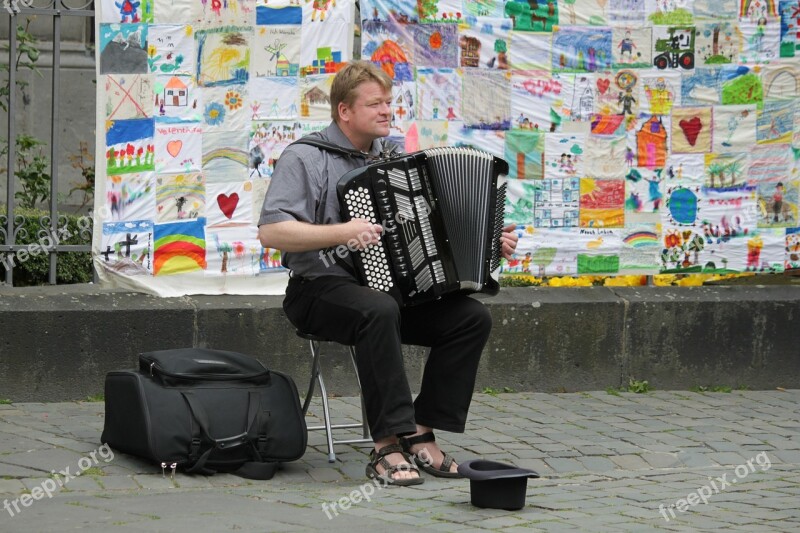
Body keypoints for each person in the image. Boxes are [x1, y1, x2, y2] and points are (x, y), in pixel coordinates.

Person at [258, 61, 518, 486]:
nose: (386, 111)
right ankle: (385, 446)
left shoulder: (396, 161)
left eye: (389, 103)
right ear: (344, 111)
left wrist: (491, 246)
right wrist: (343, 231)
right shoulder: (305, 157)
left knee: (472, 317)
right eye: (374, 104)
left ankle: (420, 429)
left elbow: (435, 239)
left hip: (389, 295)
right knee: (377, 309)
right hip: (316, 290)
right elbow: (271, 232)